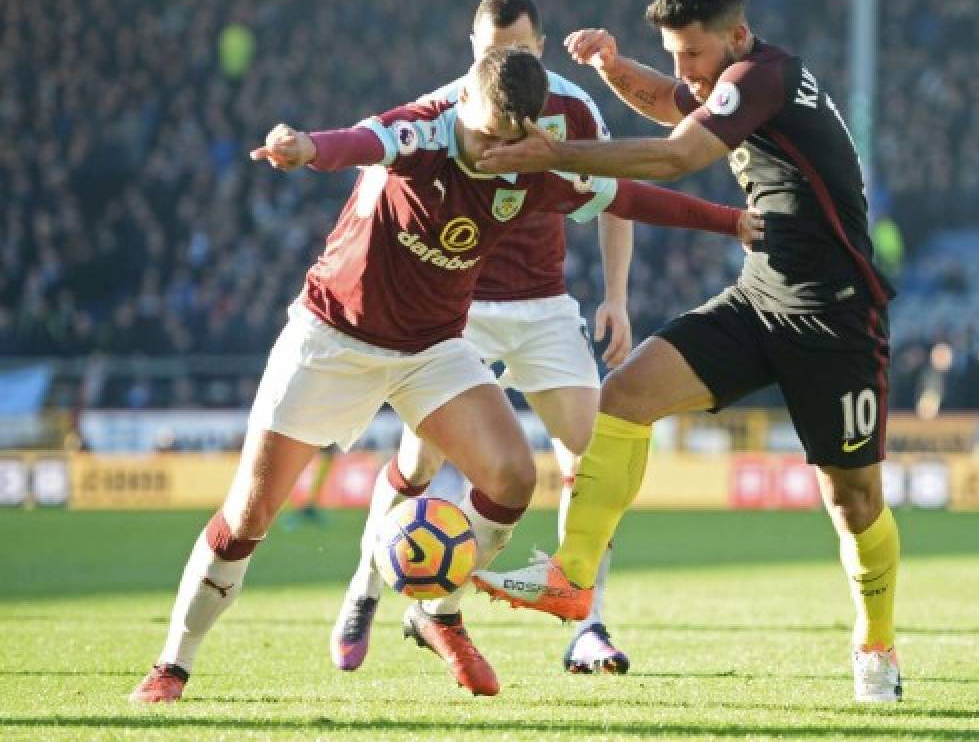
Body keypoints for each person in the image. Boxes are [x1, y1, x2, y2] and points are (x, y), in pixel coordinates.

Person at [129, 46, 762, 703]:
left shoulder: (529, 161)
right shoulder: (421, 133)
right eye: (486, 134)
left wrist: (732, 221)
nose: (495, 151)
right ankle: (172, 664)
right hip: (331, 339)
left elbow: (628, 196)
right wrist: (303, 147)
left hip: (431, 349)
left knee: (514, 477)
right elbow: (353, 142)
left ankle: (438, 609)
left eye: (510, 139)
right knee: (248, 516)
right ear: (464, 103)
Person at [471, 0, 902, 702]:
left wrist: (557, 154)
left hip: (834, 316)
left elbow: (675, 154)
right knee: (625, 395)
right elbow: (668, 100)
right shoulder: (730, 79)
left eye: (694, 54)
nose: (683, 71)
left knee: (853, 501)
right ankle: (573, 581)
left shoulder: (767, 75)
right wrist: (611, 68)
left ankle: (876, 647)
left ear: (736, 37)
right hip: (761, 294)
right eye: (673, 53)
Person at [332, 0, 637, 679]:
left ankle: (585, 623)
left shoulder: (575, 109)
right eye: (495, 49)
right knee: (417, 467)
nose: (507, 60)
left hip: (546, 306)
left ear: (541, 45)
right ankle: (366, 586)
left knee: (596, 457)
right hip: (458, 310)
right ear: (473, 46)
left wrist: (615, 296)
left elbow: (619, 195)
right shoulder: (445, 109)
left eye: (521, 50)